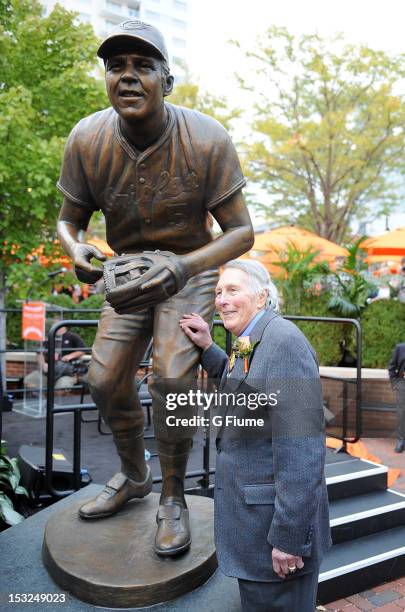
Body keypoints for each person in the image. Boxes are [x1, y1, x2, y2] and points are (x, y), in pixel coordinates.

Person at [56, 19, 253, 556]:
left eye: (143, 66)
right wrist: (76, 250)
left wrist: (184, 269)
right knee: (102, 380)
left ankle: (173, 497)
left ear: (167, 80)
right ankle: (133, 476)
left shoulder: (207, 138)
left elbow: (242, 232)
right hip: (126, 274)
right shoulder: (87, 138)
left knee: (171, 378)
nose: (127, 77)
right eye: (116, 67)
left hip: (190, 268)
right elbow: (68, 221)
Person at [180, 260, 331, 612]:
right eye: (219, 292)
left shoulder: (284, 343)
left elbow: (303, 451)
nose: (221, 300)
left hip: (275, 540)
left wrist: (289, 539)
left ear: (262, 296)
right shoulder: (251, 338)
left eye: (233, 290)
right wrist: (207, 348)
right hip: (255, 531)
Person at [24, 324, 85, 392]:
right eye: (54, 324)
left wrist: (70, 356)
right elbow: (40, 353)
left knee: (61, 388)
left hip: (66, 373)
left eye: (57, 324)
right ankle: (45, 398)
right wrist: (43, 364)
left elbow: (82, 350)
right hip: (48, 371)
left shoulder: (72, 336)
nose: (55, 326)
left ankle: (54, 399)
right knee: (28, 380)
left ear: (64, 326)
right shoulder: (49, 337)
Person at [388, 342, 405, 453]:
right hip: (402, 384)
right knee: (401, 413)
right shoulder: (400, 348)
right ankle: (400, 440)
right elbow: (391, 366)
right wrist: (395, 383)